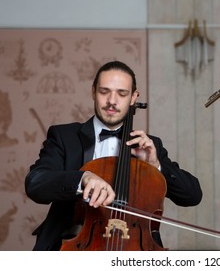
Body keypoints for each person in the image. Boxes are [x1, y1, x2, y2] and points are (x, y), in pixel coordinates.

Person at [25, 60, 202, 250]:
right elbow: (35, 183)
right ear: (93, 92)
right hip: (72, 247)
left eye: (122, 93)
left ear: (134, 97)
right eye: (104, 91)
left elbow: (192, 196)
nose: (112, 101)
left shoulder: (149, 145)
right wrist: (82, 177)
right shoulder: (64, 136)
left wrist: (155, 165)